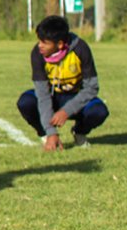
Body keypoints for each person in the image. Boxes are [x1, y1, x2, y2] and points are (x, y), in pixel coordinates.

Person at [17, 14, 109, 150]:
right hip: (51, 98)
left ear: (60, 44)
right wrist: (51, 132)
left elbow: (91, 88)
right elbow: (43, 94)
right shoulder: (37, 54)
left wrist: (66, 111)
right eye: (39, 41)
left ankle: (79, 132)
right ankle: (45, 135)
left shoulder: (81, 49)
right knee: (26, 102)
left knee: (99, 111)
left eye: (44, 42)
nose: (40, 45)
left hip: (76, 98)